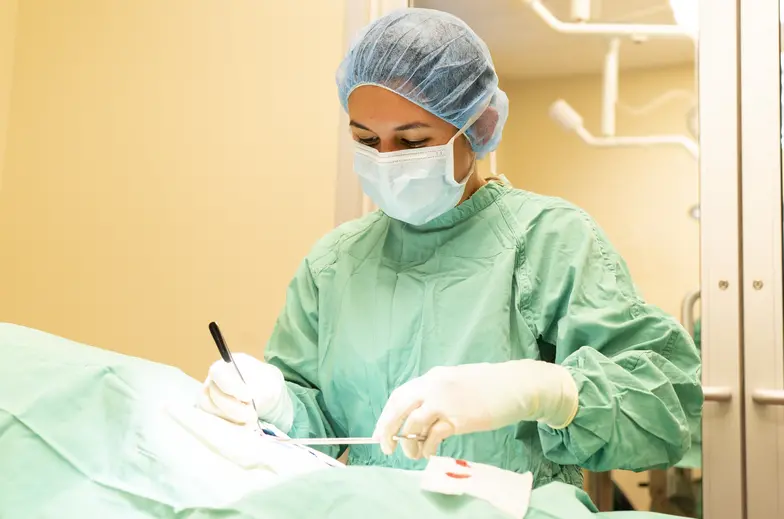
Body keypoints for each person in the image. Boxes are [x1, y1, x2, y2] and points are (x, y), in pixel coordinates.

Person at [198, 8, 703, 488]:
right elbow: (312, 433)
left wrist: (544, 390)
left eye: (413, 141)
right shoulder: (334, 264)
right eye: (366, 140)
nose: (387, 160)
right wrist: (275, 404)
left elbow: (666, 411)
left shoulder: (548, 239)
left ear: (477, 129)